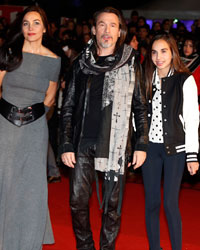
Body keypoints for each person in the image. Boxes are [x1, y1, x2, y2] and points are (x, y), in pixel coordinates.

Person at [60, 6, 148, 250]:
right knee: (77, 201)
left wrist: (141, 143)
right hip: (82, 142)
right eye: (102, 24)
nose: (107, 30)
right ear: (93, 30)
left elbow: (140, 107)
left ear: (120, 31)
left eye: (112, 25)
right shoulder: (79, 63)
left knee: (112, 206)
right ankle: (85, 246)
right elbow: (67, 106)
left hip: (115, 144)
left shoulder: (131, 63)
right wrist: (66, 143)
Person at [0, 5, 61, 250]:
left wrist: (31, 118)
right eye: (26, 23)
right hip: (4, 125)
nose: (31, 28)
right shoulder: (9, 53)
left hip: (34, 130)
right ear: (21, 27)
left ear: (45, 27)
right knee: (5, 179)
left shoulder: (53, 61)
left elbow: (49, 98)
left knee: (31, 185)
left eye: (36, 23)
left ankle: (27, 239)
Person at [142, 33, 199, 250]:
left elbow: (192, 119)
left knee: (170, 204)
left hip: (176, 149)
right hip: (150, 149)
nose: (158, 57)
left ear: (173, 52)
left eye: (164, 51)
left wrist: (192, 155)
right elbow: (138, 113)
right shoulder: (147, 77)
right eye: (154, 52)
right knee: (152, 204)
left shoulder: (185, 79)